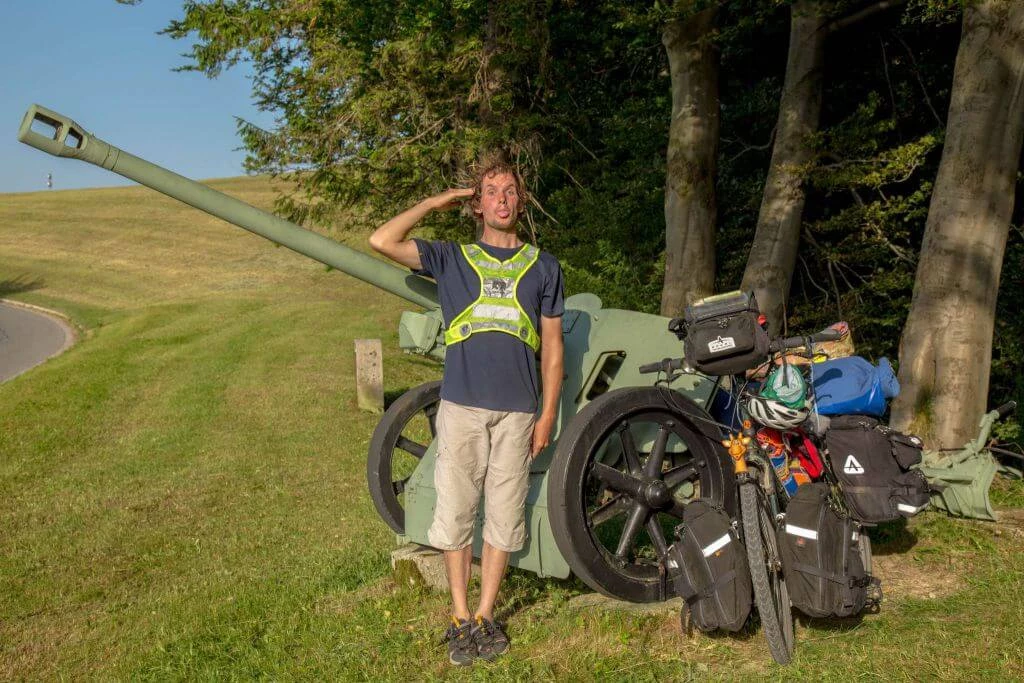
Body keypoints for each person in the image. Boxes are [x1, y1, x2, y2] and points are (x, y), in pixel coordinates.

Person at [369, 153, 564, 665]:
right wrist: (436, 201)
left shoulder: (544, 266)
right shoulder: (451, 258)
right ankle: (458, 619)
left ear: (520, 201)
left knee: (503, 516)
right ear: (477, 205)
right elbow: (380, 241)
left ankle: (485, 615)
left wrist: (546, 415)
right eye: (491, 192)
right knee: (455, 511)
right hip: (462, 407)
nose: (502, 199)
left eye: (510, 191)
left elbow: (553, 348)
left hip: (518, 413)